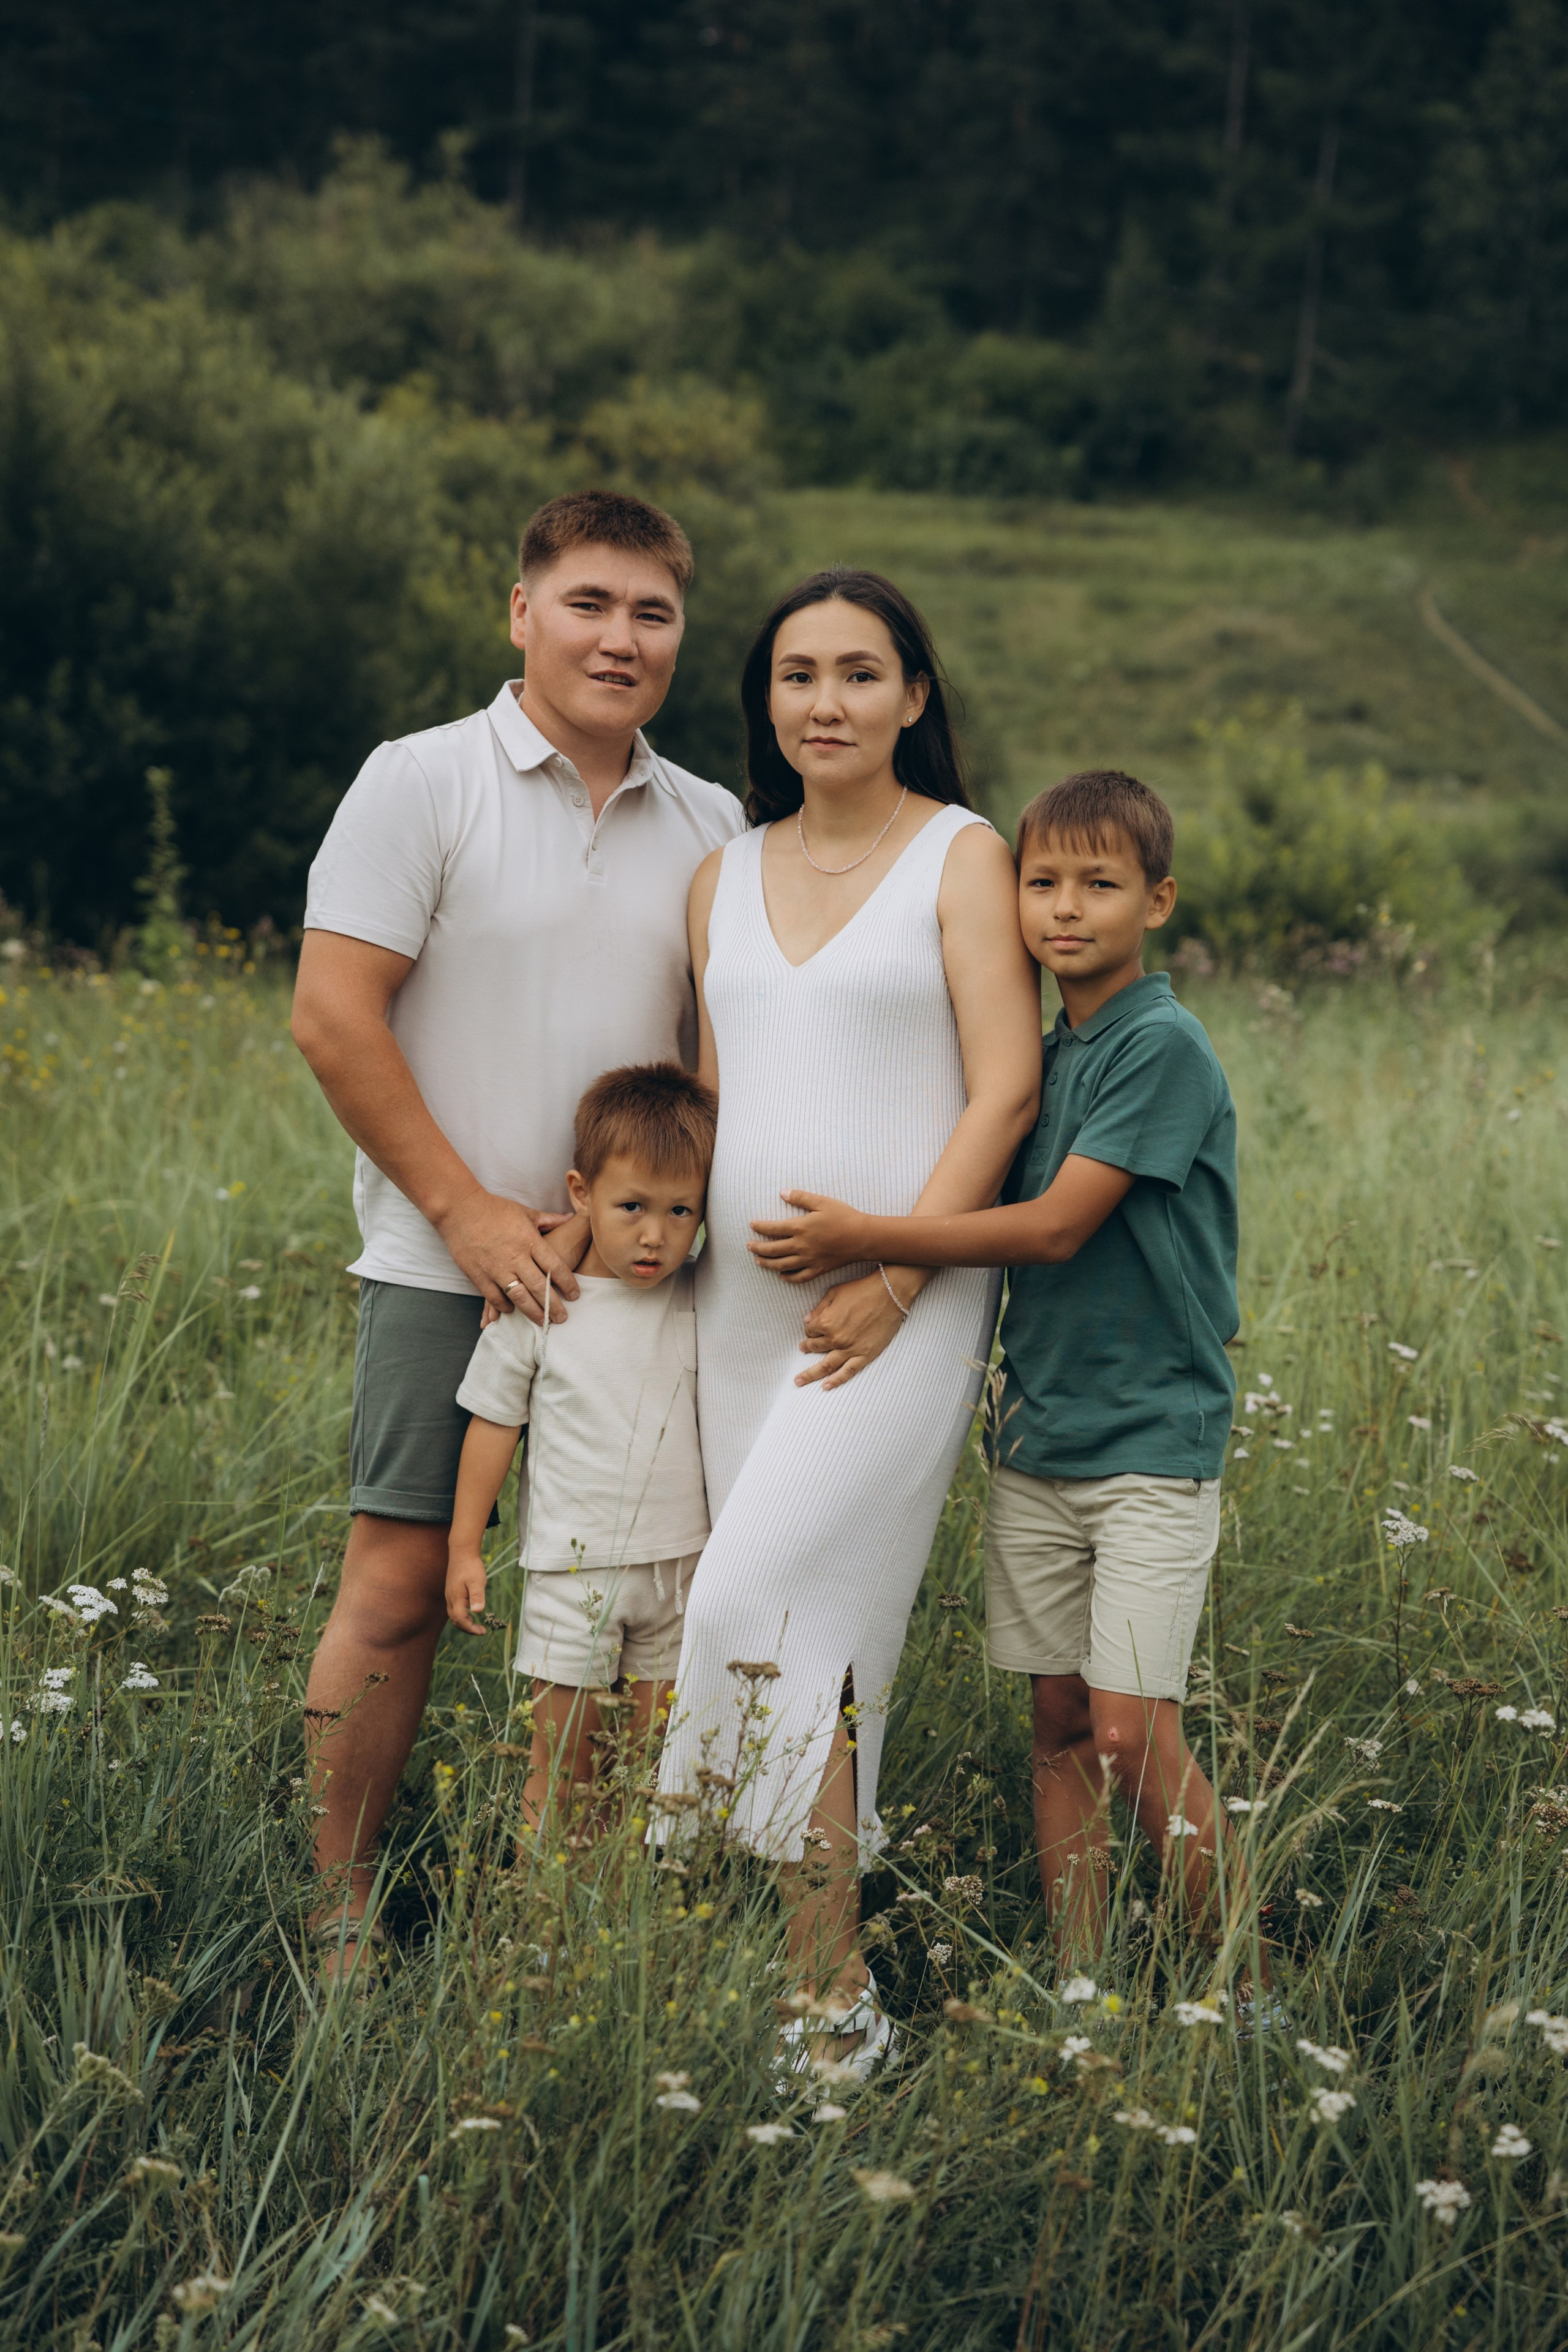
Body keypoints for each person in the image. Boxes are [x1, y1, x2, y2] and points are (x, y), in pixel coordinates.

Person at [290, 490, 744, 1977]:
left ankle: (578, 1924)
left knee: (647, 1602)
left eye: (651, 613)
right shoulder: (421, 781)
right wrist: (469, 1212)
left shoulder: (713, 824)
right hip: (452, 1264)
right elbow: (332, 1016)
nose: (620, 638)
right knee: (399, 1586)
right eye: (588, 603)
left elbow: (718, 1061)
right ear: (521, 611)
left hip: (651, 1284)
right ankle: (344, 1919)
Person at [750, 769, 1241, 1968]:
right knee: (1060, 1728)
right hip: (1037, 1438)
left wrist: (870, 1239)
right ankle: (1081, 1986)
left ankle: (1248, 1983)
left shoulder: (1159, 1047)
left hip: (1147, 1443)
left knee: (1130, 1733)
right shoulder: (1042, 1054)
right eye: (1042, 882)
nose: (1064, 908)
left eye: (1098, 885)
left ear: (1157, 901)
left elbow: (1055, 1229)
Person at [654, 568, 1042, 2073]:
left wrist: (895, 1273)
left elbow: (1002, 1090)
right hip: (737, 1312)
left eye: (859, 673)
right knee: (805, 1640)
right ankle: (823, 1996)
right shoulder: (720, 875)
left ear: (912, 696)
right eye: (797, 674)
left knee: (745, 1601)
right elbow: (709, 1096)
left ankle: (812, 1982)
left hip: (897, 1307)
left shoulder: (961, 855)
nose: (825, 702)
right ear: (765, 701)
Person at [445, 1063, 716, 1833]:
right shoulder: (541, 1305)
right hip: (572, 1573)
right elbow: (493, 1424)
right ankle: (545, 1902)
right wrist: (465, 1546)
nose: (655, 1234)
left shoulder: (703, 1295)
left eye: (680, 1210)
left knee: (646, 1770)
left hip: (679, 1571)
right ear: (581, 1194)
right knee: (563, 1765)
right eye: (631, 1207)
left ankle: (621, 1897)